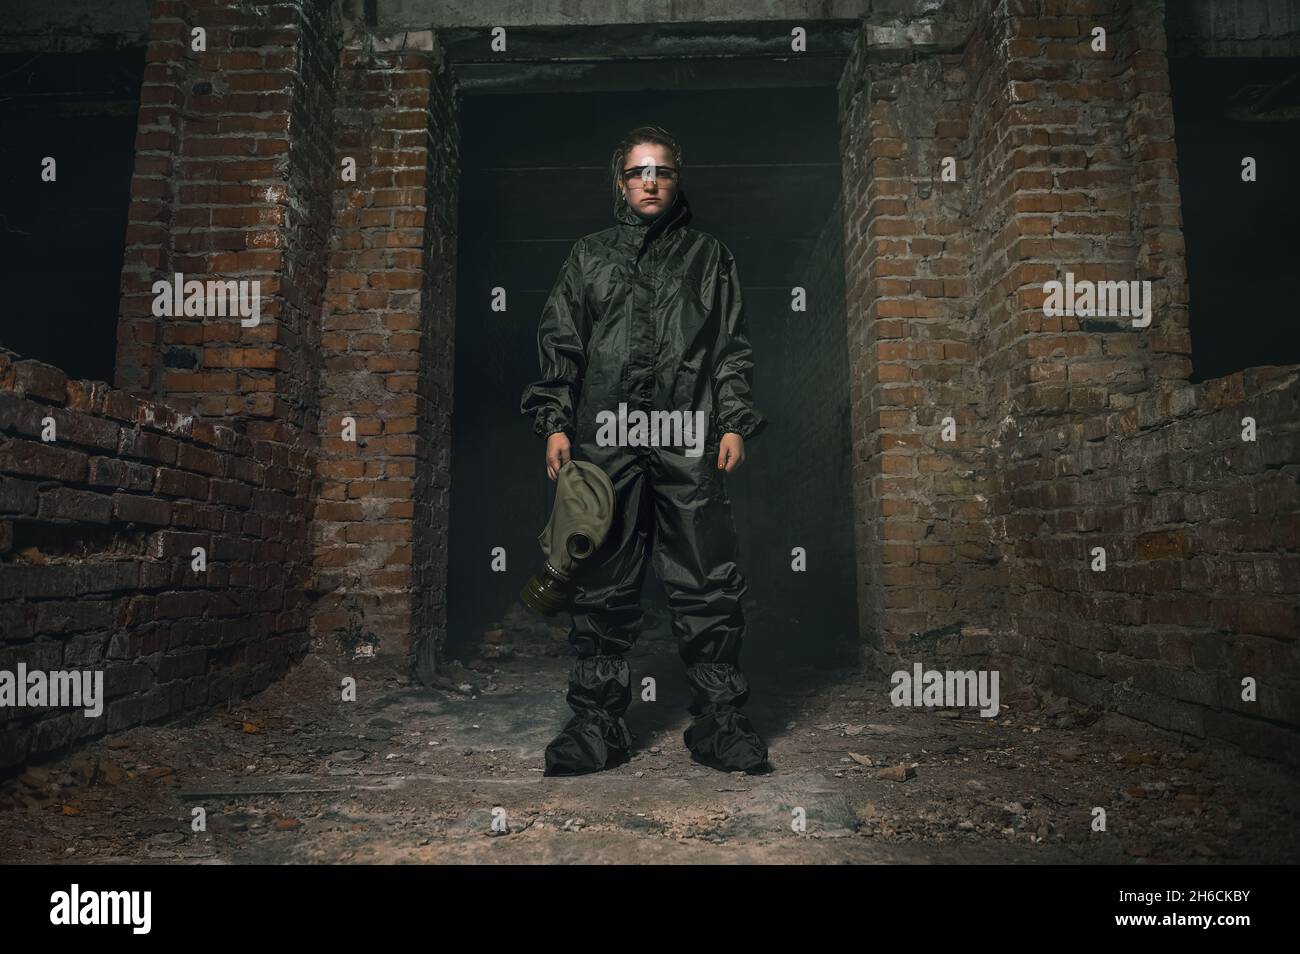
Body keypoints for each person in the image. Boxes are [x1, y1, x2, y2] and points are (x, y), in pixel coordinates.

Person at [520, 124, 769, 777]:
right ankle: (597, 725)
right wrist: (554, 422)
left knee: (705, 575)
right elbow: (562, 345)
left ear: (676, 179)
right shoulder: (589, 256)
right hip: (608, 433)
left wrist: (735, 421)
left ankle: (720, 721)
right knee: (602, 576)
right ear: (621, 183)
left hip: (687, 431)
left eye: (661, 170)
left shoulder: (708, 256)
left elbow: (729, 349)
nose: (650, 181)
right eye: (638, 171)